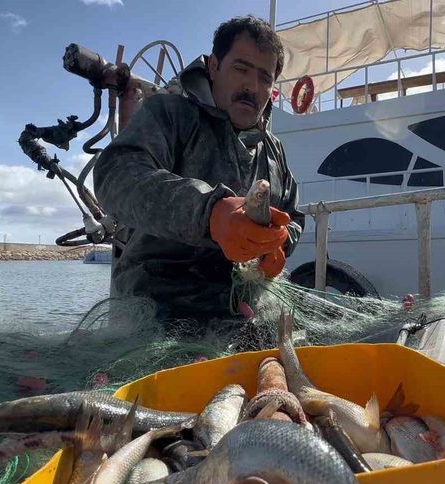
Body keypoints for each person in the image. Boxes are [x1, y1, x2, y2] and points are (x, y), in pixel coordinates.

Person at [94, 15, 304, 320]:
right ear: (214, 67)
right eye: (241, 69)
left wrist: (280, 244)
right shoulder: (169, 114)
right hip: (158, 307)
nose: (252, 85)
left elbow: (294, 215)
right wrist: (210, 213)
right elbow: (115, 174)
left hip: (244, 307)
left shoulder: (274, 149)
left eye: (264, 77)